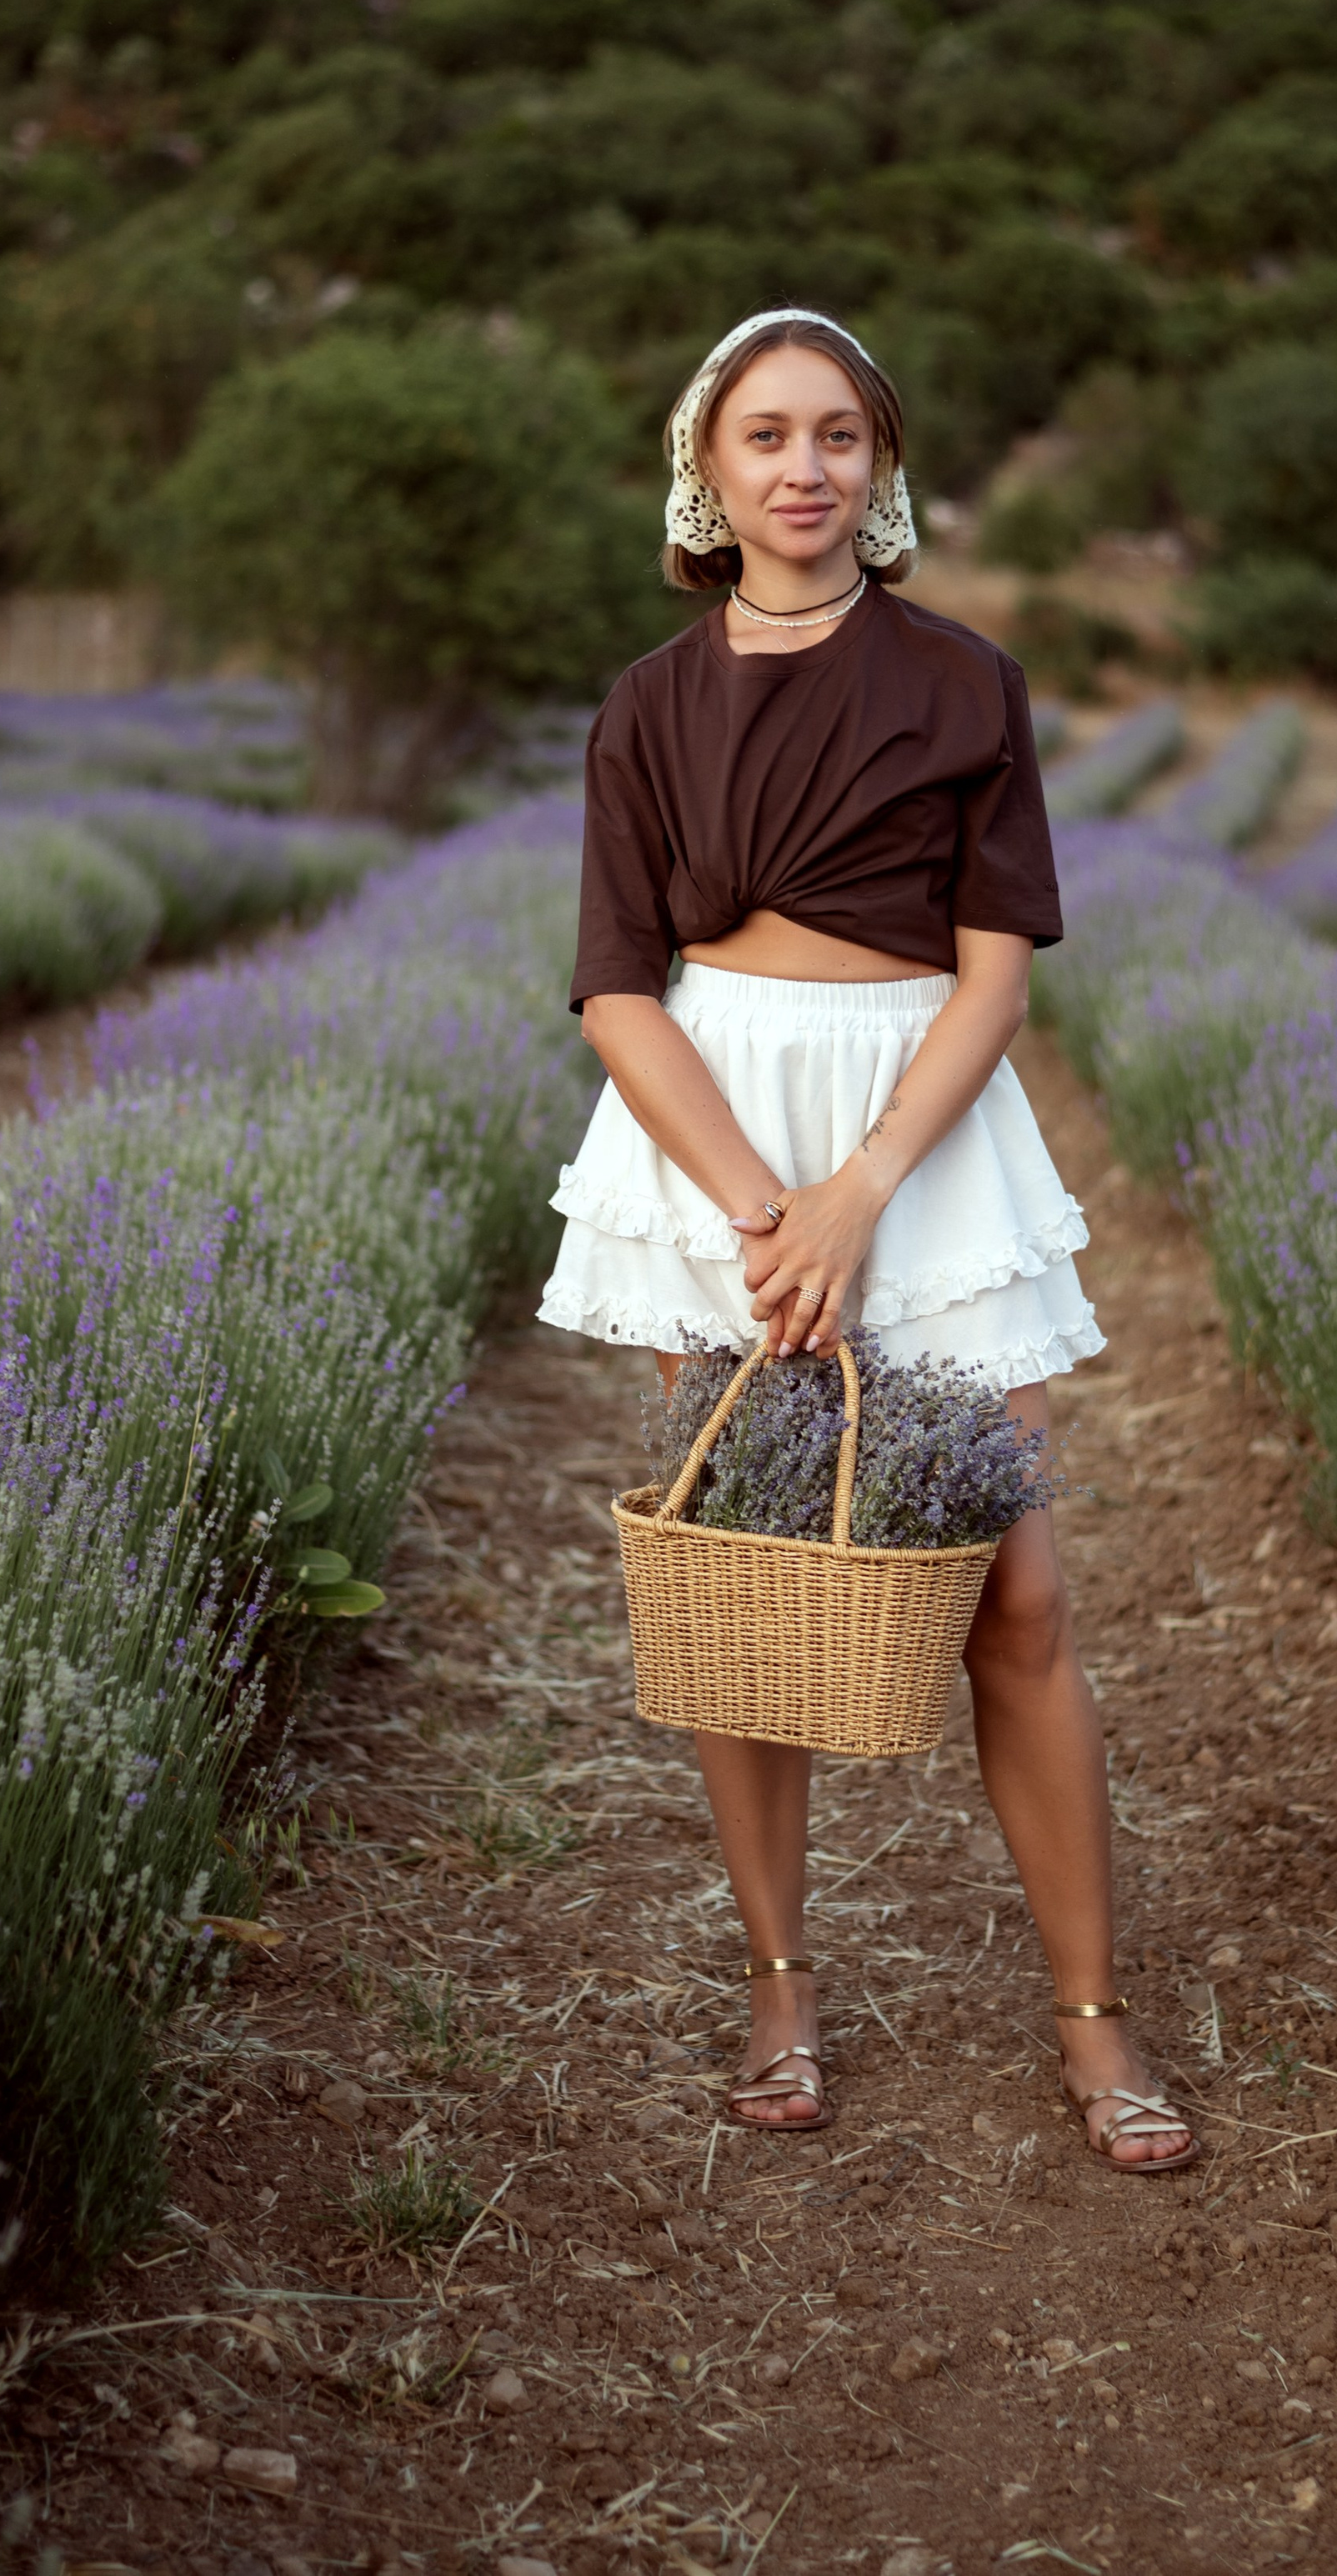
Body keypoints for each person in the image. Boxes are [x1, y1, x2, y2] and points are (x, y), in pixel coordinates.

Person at [539, 305, 1194, 2173]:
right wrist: (761, 1206)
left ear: (880, 467)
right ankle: (777, 1981)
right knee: (747, 1586)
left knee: (1022, 1596)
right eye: (766, 434)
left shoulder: (965, 681)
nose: (803, 466)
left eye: (838, 434)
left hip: (925, 1125)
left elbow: (993, 974)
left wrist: (858, 1189)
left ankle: (1089, 2015)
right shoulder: (645, 705)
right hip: (707, 1128)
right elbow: (612, 987)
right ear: (709, 467)